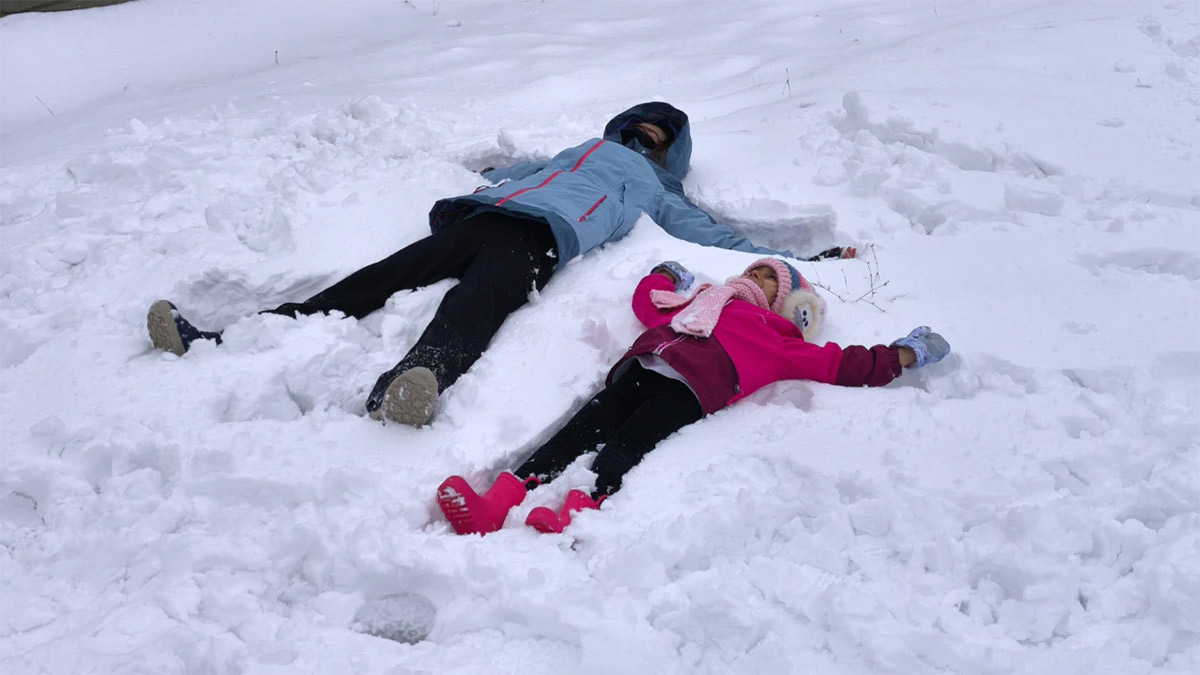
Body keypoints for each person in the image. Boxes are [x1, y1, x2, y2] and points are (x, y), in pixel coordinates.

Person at [146, 102, 855, 427]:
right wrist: (490, 171)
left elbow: (713, 235)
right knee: (370, 282)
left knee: (474, 308)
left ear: (669, 153)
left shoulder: (654, 189)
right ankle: (220, 334)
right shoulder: (578, 147)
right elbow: (525, 165)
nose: (643, 138)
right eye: (638, 127)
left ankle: (414, 384)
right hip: (484, 218)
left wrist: (800, 261)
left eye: (656, 137)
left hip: (538, 243)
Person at [435, 257, 950, 535]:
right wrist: (666, 275)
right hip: (642, 368)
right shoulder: (697, 301)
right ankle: (497, 502)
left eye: (771, 279)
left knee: (627, 444)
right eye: (755, 269)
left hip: (691, 391)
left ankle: (572, 508)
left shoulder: (777, 336)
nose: (757, 277)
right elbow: (647, 304)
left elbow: (839, 363)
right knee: (576, 433)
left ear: (785, 301)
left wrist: (903, 355)